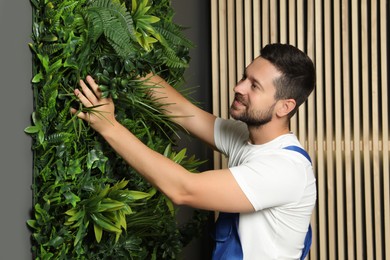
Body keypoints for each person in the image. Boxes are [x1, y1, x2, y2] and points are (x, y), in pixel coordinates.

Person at [71, 43, 317, 259]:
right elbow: (182, 112)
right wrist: (127, 61)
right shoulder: (248, 138)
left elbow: (183, 189)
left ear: (284, 107)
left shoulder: (285, 170)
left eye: (254, 86)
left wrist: (110, 127)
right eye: (244, 77)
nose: (238, 87)